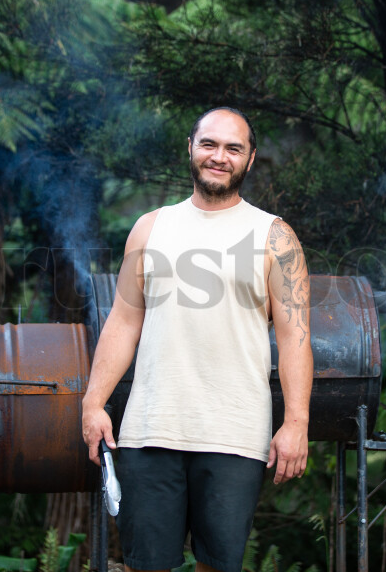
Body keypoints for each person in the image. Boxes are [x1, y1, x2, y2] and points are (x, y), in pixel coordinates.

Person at [81, 106, 313, 572]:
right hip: (151, 429)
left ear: (250, 160)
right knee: (145, 566)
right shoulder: (150, 227)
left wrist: (297, 423)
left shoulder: (276, 237)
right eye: (209, 144)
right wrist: (93, 402)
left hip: (235, 433)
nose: (219, 156)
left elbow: (295, 339)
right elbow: (124, 322)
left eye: (233, 148)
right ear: (191, 148)